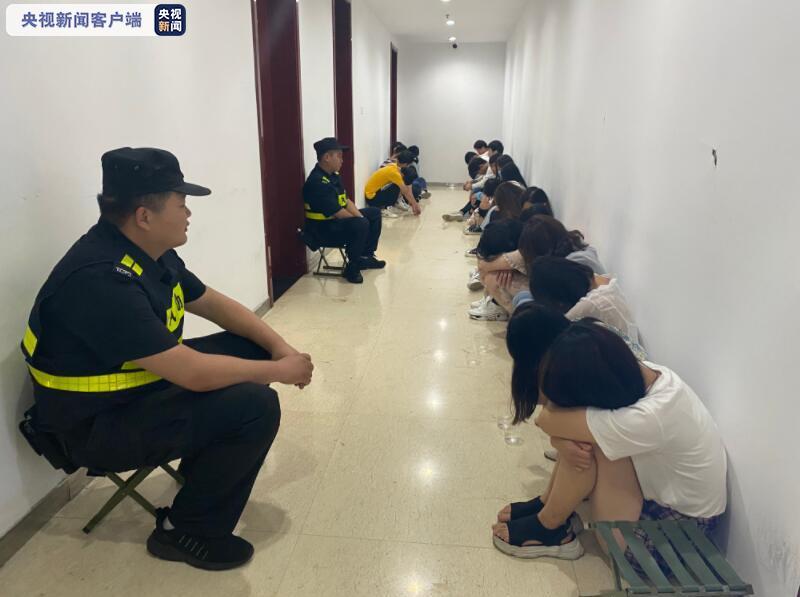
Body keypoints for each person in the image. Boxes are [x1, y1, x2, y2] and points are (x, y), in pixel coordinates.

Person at [20, 147, 315, 571]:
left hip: (131, 389)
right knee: (256, 405)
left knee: (252, 349)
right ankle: (185, 532)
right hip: (92, 426)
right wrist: (281, 371)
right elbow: (192, 373)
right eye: (181, 204)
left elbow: (211, 302)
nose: (188, 213)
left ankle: (202, 469)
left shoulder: (147, 251)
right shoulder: (101, 280)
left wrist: (279, 348)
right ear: (145, 215)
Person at [493, 321, 727, 567]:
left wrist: (559, 437)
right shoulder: (647, 374)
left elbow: (546, 420)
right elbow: (556, 420)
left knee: (589, 441)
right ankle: (548, 505)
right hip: (673, 506)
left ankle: (549, 526)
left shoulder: (646, 417)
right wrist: (559, 440)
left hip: (678, 538)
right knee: (586, 433)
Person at [302, 137, 386, 284]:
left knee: (373, 213)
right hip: (321, 231)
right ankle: (352, 267)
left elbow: (346, 201)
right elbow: (339, 213)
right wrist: (362, 222)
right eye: (339, 156)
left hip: (334, 224)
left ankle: (365, 257)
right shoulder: (317, 182)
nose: (342, 160)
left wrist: (361, 217)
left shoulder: (333, 177)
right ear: (327, 157)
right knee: (361, 224)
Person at [364, 150, 421, 216]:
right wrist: (414, 205)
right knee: (397, 187)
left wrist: (414, 204)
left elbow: (408, 188)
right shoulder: (395, 174)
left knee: (401, 187)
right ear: (405, 164)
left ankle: (394, 203)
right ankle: (386, 209)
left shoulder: (394, 166)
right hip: (372, 199)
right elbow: (406, 191)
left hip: (374, 193)